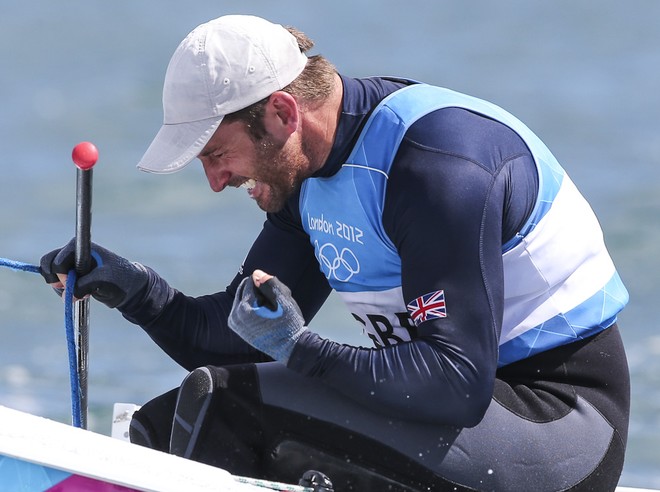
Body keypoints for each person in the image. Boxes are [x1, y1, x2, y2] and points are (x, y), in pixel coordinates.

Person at [40, 14, 631, 492]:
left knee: (224, 406)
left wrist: (302, 351)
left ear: (281, 112)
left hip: (556, 429)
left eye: (217, 153)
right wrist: (140, 293)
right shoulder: (306, 175)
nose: (215, 181)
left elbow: (456, 382)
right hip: (449, 419)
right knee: (163, 421)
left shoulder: (436, 167)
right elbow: (233, 339)